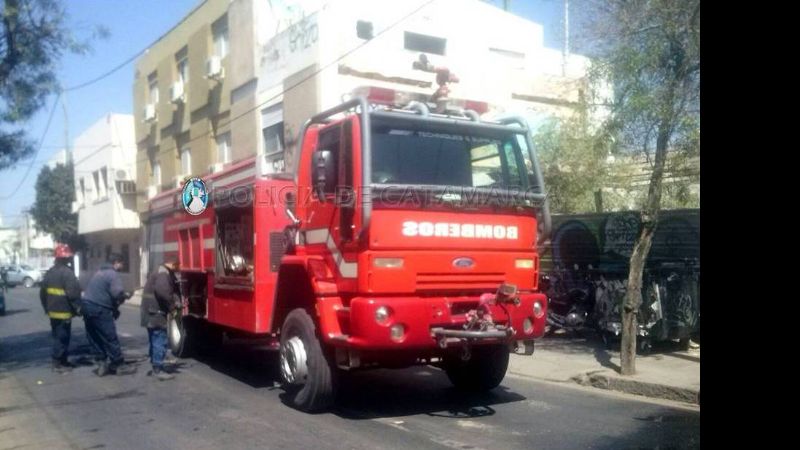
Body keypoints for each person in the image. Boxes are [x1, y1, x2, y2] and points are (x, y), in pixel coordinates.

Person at [81, 253, 135, 376]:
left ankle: (101, 363)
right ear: (116, 262)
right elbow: (117, 294)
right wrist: (125, 295)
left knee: (94, 336)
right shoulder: (112, 274)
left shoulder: (100, 272)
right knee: (110, 336)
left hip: (87, 307)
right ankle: (118, 364)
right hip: (99, 308)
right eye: (122, 263)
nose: (122, 266)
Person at [39, 244, 82, 373]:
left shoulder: (50, 272)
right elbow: (73, 294)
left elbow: (42, 293)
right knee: (62, 338)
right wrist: (79, 308)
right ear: (66, 259)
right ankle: (58, 363)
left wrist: (46, 308)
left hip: (52, 312)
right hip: (64, 312)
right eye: (68, 258)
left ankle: (62, 361)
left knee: (57, 336)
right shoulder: (67, 273)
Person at [140, 259, 181, 380]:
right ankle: (158, 368)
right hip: (155, 312)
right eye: (178, 265)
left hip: (149, 311)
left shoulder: (158, 271)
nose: (179, 268)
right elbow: (163, 292)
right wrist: (173, 306)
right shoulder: (163, 274)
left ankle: (155, 365)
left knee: (154, 338)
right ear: (172, 263)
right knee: (159, 338)